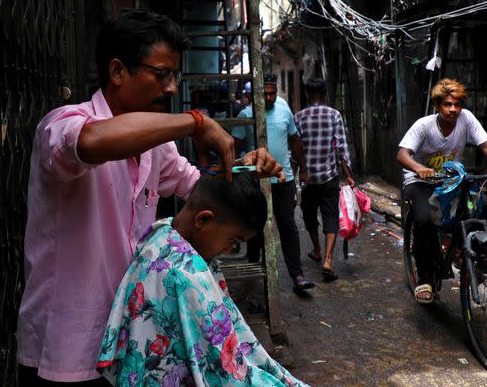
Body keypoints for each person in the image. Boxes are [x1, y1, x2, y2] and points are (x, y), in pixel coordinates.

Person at [16, 10, 283, 384]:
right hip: (66, 349)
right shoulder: (62, 123)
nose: (171, 87)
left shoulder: (158, 148)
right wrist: (197, 122)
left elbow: (199, 187)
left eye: (174, 76)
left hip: (126, 346)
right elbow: (90, 142)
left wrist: (243, 166)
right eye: (161, 75)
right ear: (117, 71)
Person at [96, 174, 308, 387]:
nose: (228, 251)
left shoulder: (162, 233)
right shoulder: (188, 276)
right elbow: (225, 371)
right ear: (203, 219)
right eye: (232, 241)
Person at [396, 78, 487, 304]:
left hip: (451, 180)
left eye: (457, 104)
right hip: (420, 181)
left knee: (480, 207)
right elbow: (403, 154)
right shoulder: (424, 125)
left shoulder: (467, 119)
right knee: (424, 220)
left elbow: (486, 144)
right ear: (437, 106)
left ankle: (467, 255)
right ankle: (425, 278)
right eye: (447, 104)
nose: (453, 109)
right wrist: (420, 168)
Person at [232, 74, 314, 293]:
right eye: (264, 94)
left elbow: (295, 142)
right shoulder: (246, 114)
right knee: (256, 226)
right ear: (257, 94)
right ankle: (253, 265)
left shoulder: (284, 110)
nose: (268, 97)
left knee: (288, 225)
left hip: (283, 179)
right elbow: (235, 147)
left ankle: (297, 275)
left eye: (272, 93)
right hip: (256, 180)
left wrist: (303, 170)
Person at [294, 77, 355, 282]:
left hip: (308, 178)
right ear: (324, 95)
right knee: (330, 216)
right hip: (330, 176)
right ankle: (328, 259)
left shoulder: (299, 117)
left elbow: (296, 151)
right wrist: (348, 176)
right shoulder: (334, 115)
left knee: (309, 214)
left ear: (307, 95)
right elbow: (340, 148)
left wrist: (295, 175)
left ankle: (317, 249)